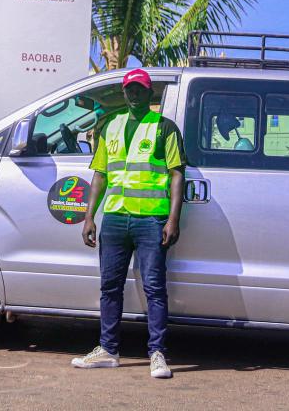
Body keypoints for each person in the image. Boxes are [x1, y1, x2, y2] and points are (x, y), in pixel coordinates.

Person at [71, 68, 185, 379]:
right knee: (110, 286)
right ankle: (108, 350)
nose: (134, 93)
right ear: (124, 92)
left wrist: (174, 219)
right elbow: (100, 175)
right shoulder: (110, 126)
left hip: (151, 220)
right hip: (116, 219)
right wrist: (89, 216)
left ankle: (157, 354)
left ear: (150, 94)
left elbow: (177, 174)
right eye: (129, 89)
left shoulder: (164, 128)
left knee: (154, 288)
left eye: (140, 89)